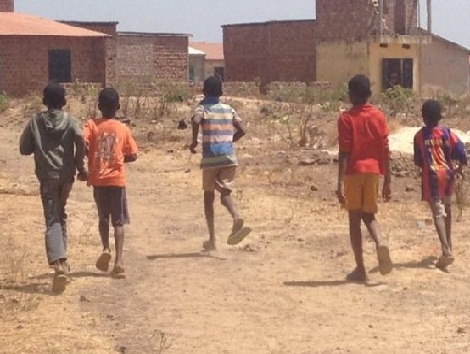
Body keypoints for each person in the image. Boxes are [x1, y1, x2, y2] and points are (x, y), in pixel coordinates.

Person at [19, 83, 87, 283]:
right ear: (64, 102)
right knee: (61, 213)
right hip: (66, 176)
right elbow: (81, 140)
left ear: (44, 101)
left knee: (52, 218)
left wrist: (39, 146)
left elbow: (23, 148)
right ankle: (63, 261)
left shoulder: (35, 121)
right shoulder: (71, 121)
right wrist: (80, 165)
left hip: (47, 176)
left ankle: (58, 263)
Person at [336, 74, 393, 282]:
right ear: (369, 94)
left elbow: (344, 151)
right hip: (374, 171)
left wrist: (340, 181)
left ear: (351, 95)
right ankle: (380, 241)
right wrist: (387, 180)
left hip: (353, 171)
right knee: (369, 215)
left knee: (354, 219)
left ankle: (360, 268)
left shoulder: (346, 118)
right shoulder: (379, 116)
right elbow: (385, 149)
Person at [190, 76, 250, 251]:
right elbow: (243, 130)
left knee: (209, 197)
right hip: (229, 158)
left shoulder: (203, 107)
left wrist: (194, 141)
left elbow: (195, 120)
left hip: (211, 158)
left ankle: (212, 239)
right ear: (221, 93)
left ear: (204, 91)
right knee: (225, 193)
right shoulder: (229, 109)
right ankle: (236, 215)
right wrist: (230, 140)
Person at [83, 88, 138, 278]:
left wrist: (91, 156)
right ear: (119, 107)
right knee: (119, 221)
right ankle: (119, 262)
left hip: (98, 179)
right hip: (117, 179)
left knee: (103, 217)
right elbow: (133, 155)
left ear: (98, 106)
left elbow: (83, 143)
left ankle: (106, 248)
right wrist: (119, 159)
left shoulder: (91, 125)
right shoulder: (123, 128)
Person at [413, 99, 467, 269]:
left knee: (438, 213)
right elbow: (462, 151)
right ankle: (449, 244)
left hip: (432, 177)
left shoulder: (420, 136)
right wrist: (459, 168)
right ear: (440, 117)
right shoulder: (447, 133)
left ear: (423, 117)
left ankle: (445, 250)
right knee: (447, 210)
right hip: (448, 175)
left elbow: (418, 160)